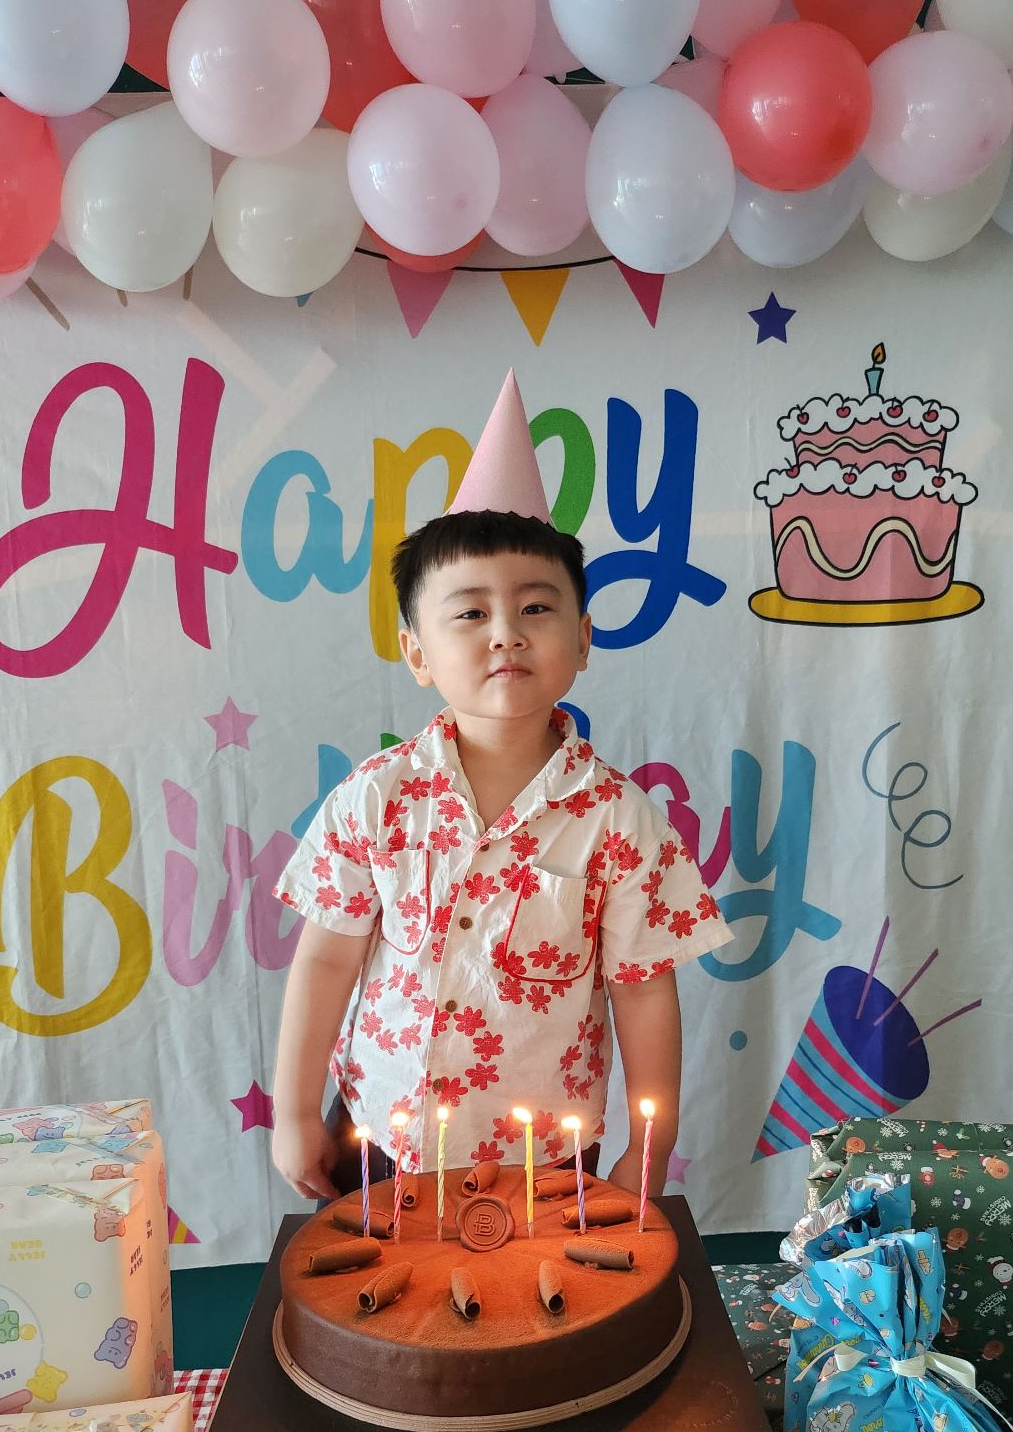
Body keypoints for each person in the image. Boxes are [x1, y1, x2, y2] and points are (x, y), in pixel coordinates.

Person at [271, 372, 731, 1203]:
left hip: (544, 1161)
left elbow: (644, 992)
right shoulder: (375, 800)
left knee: (538, 1294)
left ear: (583, 639)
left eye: (536, 609)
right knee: (383, 1291)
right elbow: (327, 958)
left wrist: (648, 1146)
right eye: (470, 613)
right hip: (380, 1139)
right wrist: (294, 1111)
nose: (507, 634)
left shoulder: (620, 823)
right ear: (417, 652)